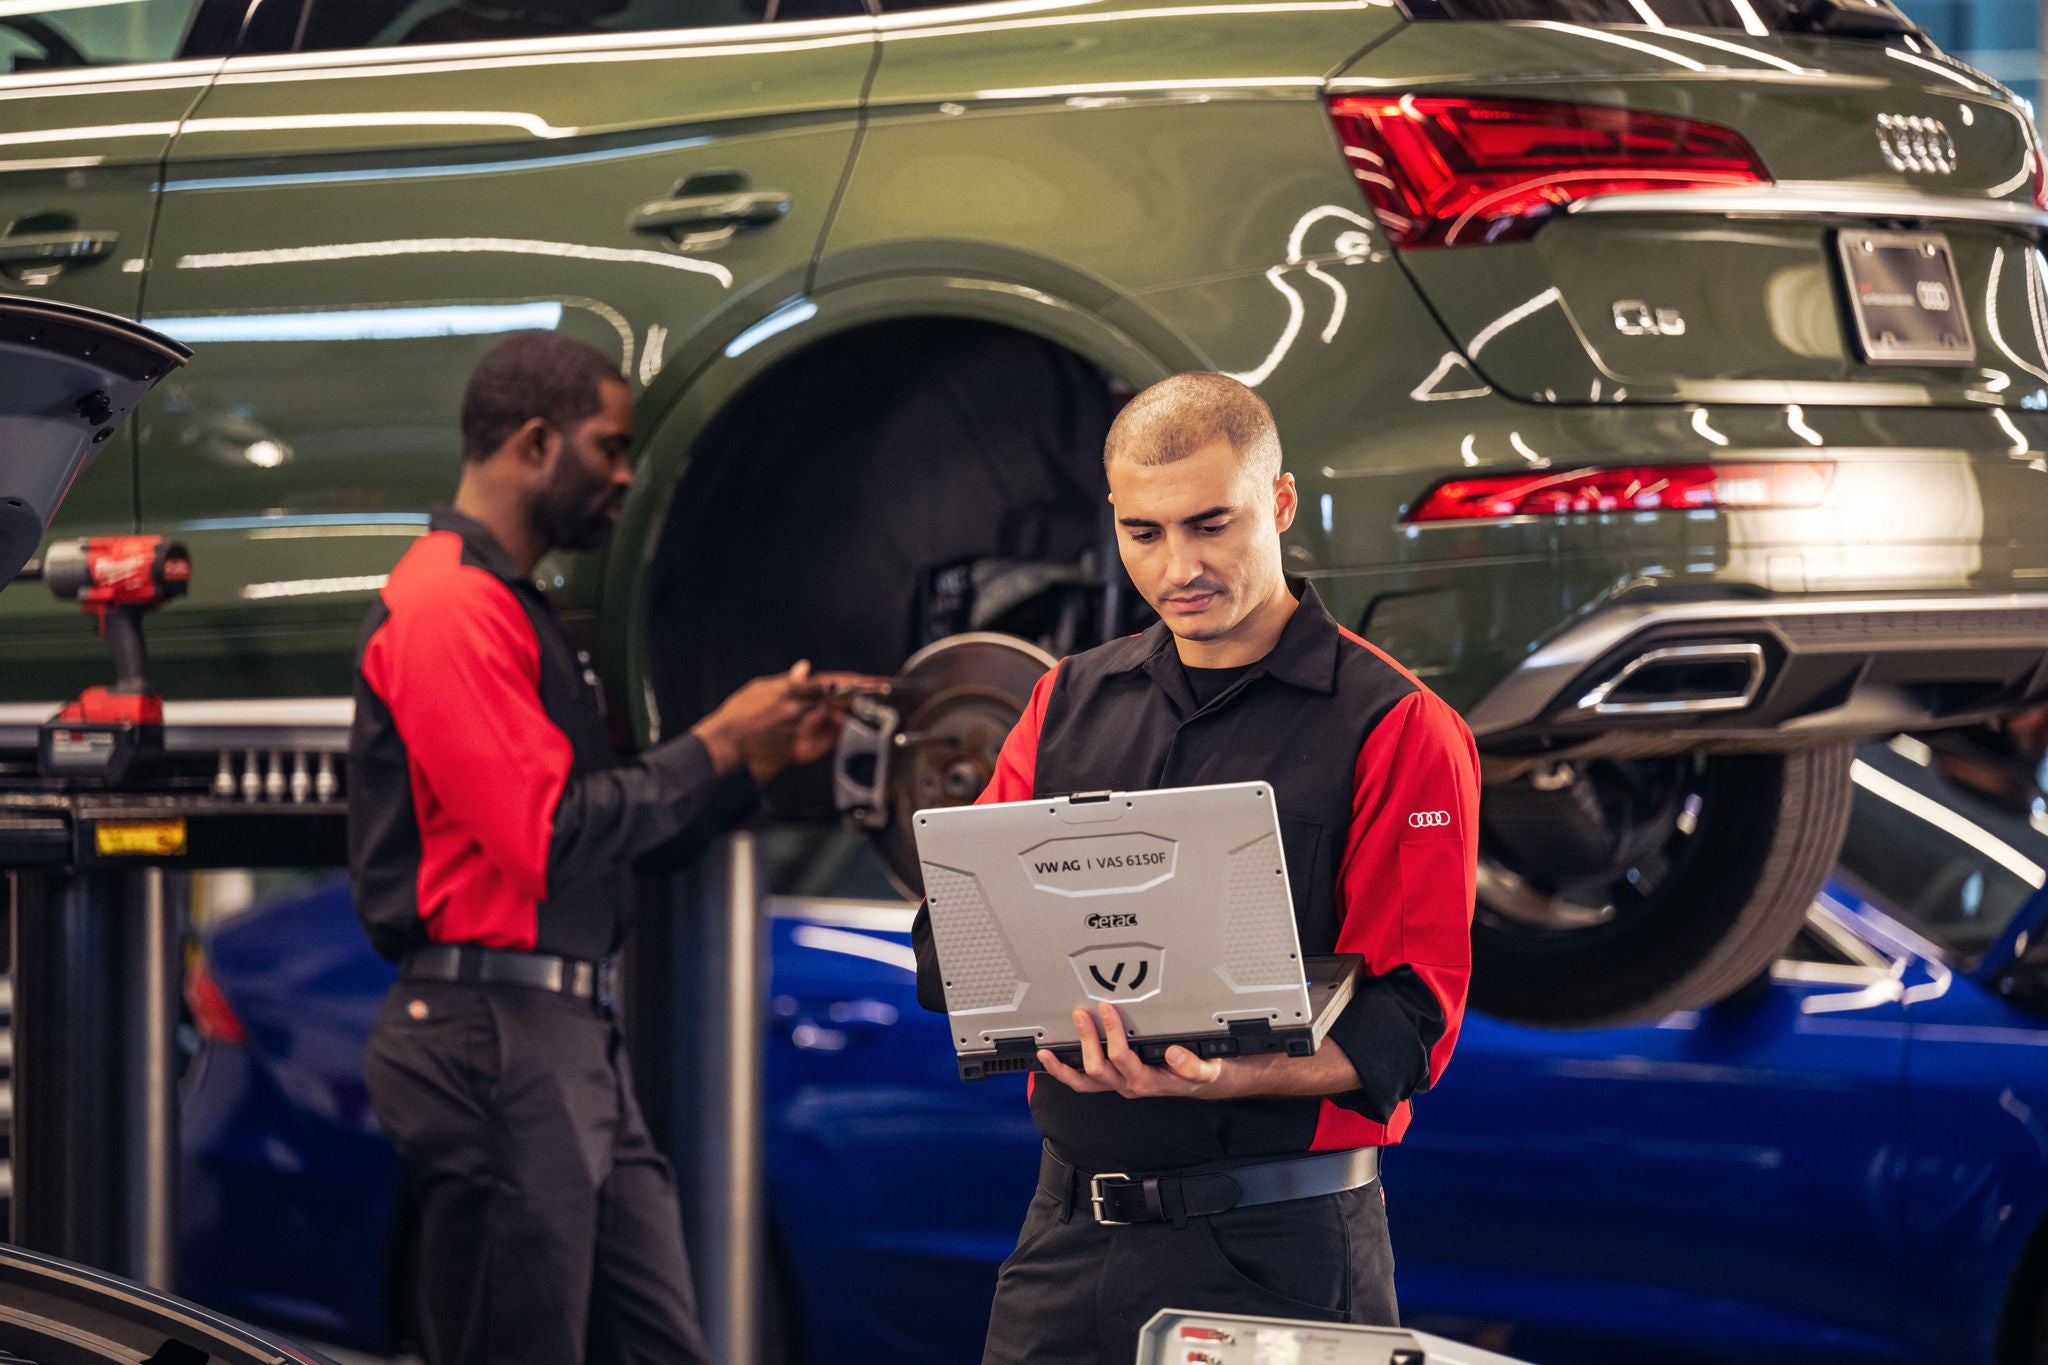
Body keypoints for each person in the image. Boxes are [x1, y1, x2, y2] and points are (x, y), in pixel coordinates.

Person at [912, 372, 1482, 1365]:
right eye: (1144, 533)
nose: (1180, 565)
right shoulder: (1064, 704)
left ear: (1280, 503)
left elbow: (1409, 1028)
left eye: (1211, 524)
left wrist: (1226, 1080)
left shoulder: (1398, 729)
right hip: (1065, 1242)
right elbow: (957, 942)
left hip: (1277, 1250)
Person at [347, 330, 877, 1365]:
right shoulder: (447, 605)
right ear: (537, 442)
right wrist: (717, 739)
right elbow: (547, 837)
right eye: (613, 446)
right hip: (490, 1034)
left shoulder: (514, 608)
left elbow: (610, 842)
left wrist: (752, 766)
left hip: (562, 1034)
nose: (628, 475)